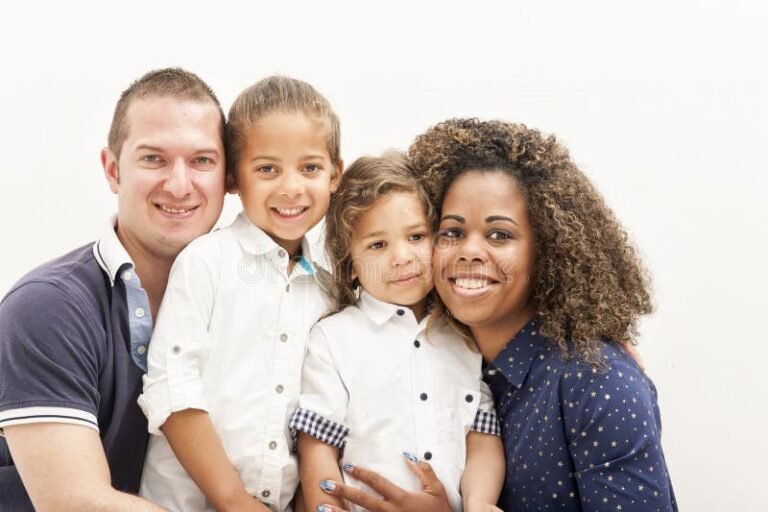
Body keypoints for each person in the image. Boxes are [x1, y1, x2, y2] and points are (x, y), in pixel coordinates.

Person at [317, 118, 677, 512]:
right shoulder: (456, 360)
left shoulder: (594, 380)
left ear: (548, 251)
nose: (469, 251)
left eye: (499, 235)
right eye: (451, 232)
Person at [0, 67, 227, 511]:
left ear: (228, 176)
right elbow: (76, 503)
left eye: (202, 160)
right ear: (112, 169)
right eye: (153, 159)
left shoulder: (256, 303)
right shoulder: (47, 308)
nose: (180, 185)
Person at [137, 76, 343, 512]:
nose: (291, 188)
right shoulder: (206, 261)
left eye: (310, 168)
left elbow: (321, 417)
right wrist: (232, 499)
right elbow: (173, 387)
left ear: (334, 175)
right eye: (267, 169)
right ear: (233, 177)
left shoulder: (332, 290)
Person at [289, 153, 505, 512]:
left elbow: (482, 434)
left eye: (416, 236)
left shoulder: (463, 336)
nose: (402, 257)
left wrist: (480, 503)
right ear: (350, 263)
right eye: (377, 245)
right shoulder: (334, 339)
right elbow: (318, 445)